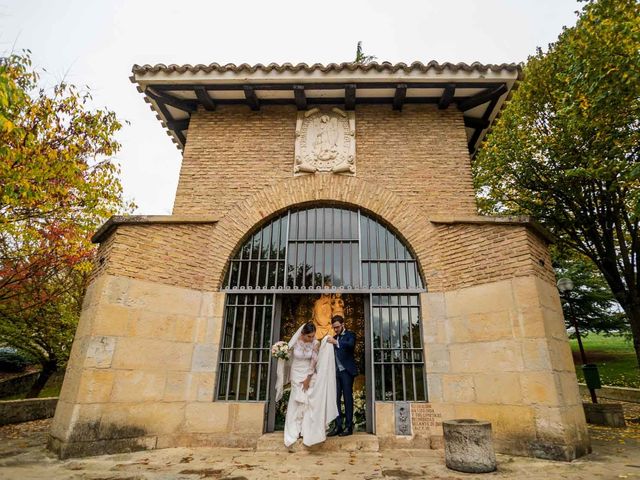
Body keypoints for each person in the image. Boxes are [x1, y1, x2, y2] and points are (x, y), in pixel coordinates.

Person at [276, 322, 338, 447]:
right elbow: (288, 356)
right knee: (296, 401)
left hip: (308, 373)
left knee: (309, 400)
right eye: (309, 336)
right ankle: (294, 430)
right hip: (296, 373)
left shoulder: (315, 343)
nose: (311, 338)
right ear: (302, 334)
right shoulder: (294, 343)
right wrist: (280, 352)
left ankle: (307, 430)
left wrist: (308, 378)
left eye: (313, 336)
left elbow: (314, 361)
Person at [327, 315, 358, 437]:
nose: (335, 330)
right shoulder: (334, 337)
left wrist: (336, 342)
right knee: (335, 400)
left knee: (347, 398)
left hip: (347, 372)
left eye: (337, 327)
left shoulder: (350, 335)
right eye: (334, 328)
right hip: (336, 373)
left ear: (343, 324)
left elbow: (350, 345)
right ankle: (338, 426)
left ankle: (349, 426)